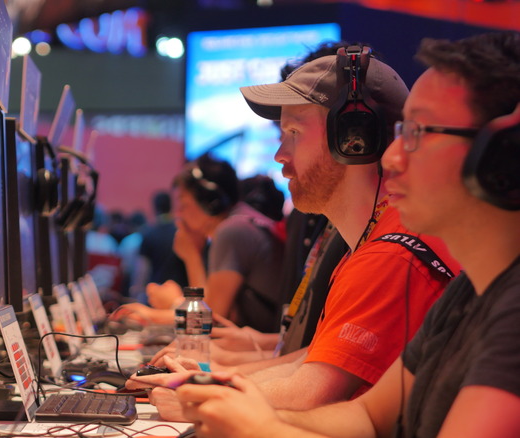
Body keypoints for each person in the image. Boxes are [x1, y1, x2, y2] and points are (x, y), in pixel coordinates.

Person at [177, 31, 520, 438]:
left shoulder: (506, 313)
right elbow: (367, 417)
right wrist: (234, 405)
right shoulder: (469, 295)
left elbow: (321, 394)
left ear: (502, 154)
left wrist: (259, 425)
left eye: (416, 133)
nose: (391, 156)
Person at [130, 44, 462, 418]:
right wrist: (211, 377)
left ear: (353, 139)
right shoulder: (367, 243)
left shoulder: (390, 254)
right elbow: (314, 360)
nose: (279, 155)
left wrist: (200, 395)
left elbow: (313, 392)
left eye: (293, 132)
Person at [113, 154, 286, 332]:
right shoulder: (242, 223)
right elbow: (209, 312)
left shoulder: (232, 231)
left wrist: (154, 312)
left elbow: (208, 322)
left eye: (183, 204)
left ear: (211, 202)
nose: (178, 215)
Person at [127, 191, 188, 303]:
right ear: (171, 206)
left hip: (156, 296)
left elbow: (142, 270)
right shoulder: (181, 231)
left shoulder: (149, 233)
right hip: (182, 296)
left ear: (155, 207)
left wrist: (135, 297)